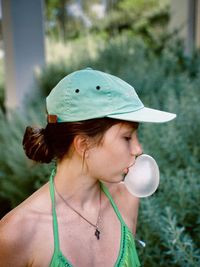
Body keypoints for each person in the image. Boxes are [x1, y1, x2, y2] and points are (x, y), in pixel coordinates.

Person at [0, 68, 176, 267]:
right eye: (127, 137)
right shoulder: (16, 234)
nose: (138, 148)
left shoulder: (126, 199)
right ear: (83, 145)